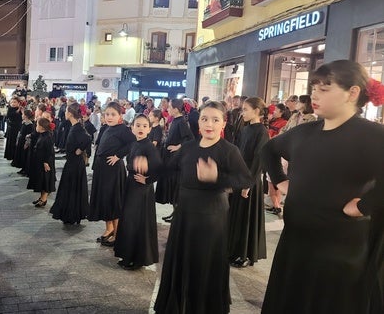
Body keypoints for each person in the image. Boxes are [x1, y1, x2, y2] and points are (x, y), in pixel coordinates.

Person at [260, 60, 384, 314]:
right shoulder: (304, 133)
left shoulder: (372, 136)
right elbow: (269, 150)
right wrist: (281, 181)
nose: (314, 94)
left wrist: (364, 205)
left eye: (325, 89)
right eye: (314, 87)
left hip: (340, 252)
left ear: (352, 93)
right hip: (294, 246)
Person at [154, 101, 253, 314]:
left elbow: (246, 179)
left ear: (223, 124)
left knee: (204, 263)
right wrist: (148, 167)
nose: (209, 124)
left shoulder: (229, 151)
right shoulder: (189, 147)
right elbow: (167, 168)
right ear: (198, 122)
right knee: (182, 260)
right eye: (205, 119)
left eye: (215, 120)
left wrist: (217, 177)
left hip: (212, 217)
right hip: (185, 214)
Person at [113, 114, 162, 270]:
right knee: (129, 221)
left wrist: (147, 180)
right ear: (132, 127)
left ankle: (137, 259)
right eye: (138, 125)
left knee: (135, 222)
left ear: (149, 129)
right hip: (131, 185)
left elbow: (160, 169)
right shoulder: (134, 144)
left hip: (141, 191)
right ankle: (129, 255)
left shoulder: (149, 147)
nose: (141, 128)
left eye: (144, 126)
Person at [227, 97, 269, 268]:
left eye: (245, 109)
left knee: (247, 218)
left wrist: (248, 183)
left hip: (250, 180)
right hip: (240, 177)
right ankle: (235, 250)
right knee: (237, 215)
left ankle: (245, 254)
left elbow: (259, 159)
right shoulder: (245, 129)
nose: (242, 112)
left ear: (257, 111)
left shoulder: (262, 131)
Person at [88, 101, 136, 246]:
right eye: (107, 114)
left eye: (113, 114)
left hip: (113, 170)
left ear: (120, 115)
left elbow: (133, 143)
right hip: (102, 170)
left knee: (113, 201)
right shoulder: (106, 128)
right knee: (105, 200)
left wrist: (118, 155)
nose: (109, 117)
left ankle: (117, 234)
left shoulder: (122, 129)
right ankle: (109, 229)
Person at [49, 103, 91, 224]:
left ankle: (72, 215)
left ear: (70, 113)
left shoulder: (77, 127)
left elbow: (88, 138)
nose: (65, 113)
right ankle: (71, 214)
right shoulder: (75, 126)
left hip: (75, 164)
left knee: (72, 190)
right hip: (73, 163)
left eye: (67, 111)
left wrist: (80, 149)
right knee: (72, 189)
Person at [155, 99, 194, 223]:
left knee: (175, 187)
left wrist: (178, 147)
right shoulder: (175, 120)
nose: (168, 109)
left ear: (176, 109)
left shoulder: (181, 122)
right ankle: (174, 212)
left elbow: (190, 139)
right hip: (170, 158)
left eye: (170, 107)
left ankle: (177, 213)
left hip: (176, 160)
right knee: (172, 188)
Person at [26, 118, 56, 207]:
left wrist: (46, 162)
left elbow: (49, 151)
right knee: (42, 181)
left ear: (42, 127)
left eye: (38, 125)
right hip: (41, 162)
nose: (36, 127)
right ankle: (41, 197)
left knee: (45, 181)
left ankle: (44, 199)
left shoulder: (48, 136)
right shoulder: (42, 134)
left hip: (45, 163)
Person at [12, 109, 34, 174]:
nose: (22, 115)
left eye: (23, 114)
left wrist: (27, 143)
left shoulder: (29, 124)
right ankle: (22, 168)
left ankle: (25, 169)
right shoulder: (24, 123)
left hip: (24, 142)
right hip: (21, 141)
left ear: (26, 116)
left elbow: (29, 135)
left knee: (24, 156)